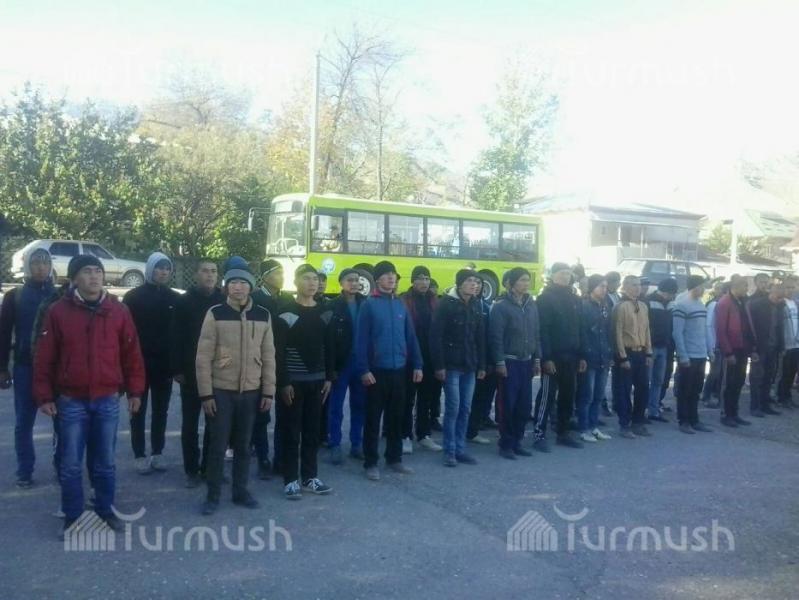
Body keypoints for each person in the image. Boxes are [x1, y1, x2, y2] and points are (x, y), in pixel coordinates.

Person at [33, 255, 145, 534]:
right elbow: (45, 357)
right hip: (71, 400)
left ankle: (105, 510)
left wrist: (135, 391)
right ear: (74, 278)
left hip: (107, 399)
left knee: (105, 462)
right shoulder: (58, 312)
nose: (94, 276)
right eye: (87, 271)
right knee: (71, 463)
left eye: (98, 271)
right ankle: (72, 517)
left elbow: (132, 354)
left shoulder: (118, 310)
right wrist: (44, 396)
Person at [196, 263, 276, 515]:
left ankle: (241, 491)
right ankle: (212, 495)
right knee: (218, 446)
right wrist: (206, 393)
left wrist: (268, 390)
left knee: (243, 446)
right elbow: (203, 357)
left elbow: (269, 355)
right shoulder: (216, 313)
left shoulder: (262, 315)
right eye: (233, 283)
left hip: (251, 391)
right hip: (221, 390)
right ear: (226, 287)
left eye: (243, 283)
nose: (238, 287)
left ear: (250, 287)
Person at [355, 261, 423, 481]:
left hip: (399, 370)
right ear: (377, 280)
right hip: (376, 371)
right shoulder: (369, 305)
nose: (391, 278)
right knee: (373, 419)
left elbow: (410, 337)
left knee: (396, 417)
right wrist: (364, 369)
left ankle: (394, 458)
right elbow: (361, 340)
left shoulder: (400, 304)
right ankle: (371, 462)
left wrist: (418, 364)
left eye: (393, 274)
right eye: (386, 275)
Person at [275, 264, 333, 499]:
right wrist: (283, 382)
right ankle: (290, 479)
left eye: (315, 279)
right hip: (292, 383)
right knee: (291, 431)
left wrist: (329, 377)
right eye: (307, 278)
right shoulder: (285, 312)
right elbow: (278, 351)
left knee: (312, 431)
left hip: (318, 382)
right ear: (296, 282)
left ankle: (310, 477)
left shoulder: (325, 313)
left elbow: (329, 348)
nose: (312, 283)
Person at [0, 247, 56, 488]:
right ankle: (25, 470)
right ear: (27, 266)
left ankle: (62, 466)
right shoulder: (15, 296)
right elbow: (3, 334)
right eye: (35, 263)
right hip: (25, 366)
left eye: (45, 263)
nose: (41, 267)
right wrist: (2, 367)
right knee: (24, 422)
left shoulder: (60, 295)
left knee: (62, 421)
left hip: (55, 370)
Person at [123, 251, 180, 474]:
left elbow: (177, 334)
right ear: (150, 269)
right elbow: (125, 334)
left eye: (167, 268)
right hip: (138, 364)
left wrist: (175, 364)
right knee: (137, 410)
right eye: (159, 268)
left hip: (163, 365)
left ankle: (158, 452)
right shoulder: (133, 297)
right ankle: (139, 454)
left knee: (160, 411)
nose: (163, 272)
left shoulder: (174, 298)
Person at [170, 259, 225, 487]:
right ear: (196, 274)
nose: (209, 275)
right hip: (190, 372)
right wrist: (177, 369)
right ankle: (191, 470)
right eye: (205, 271)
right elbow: (174, 336)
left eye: (213, 271)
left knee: (215, 424)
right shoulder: (184, 301)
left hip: (218, 372)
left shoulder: (223, 300)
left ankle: (209, 468)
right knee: (190, 424)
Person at [430, 269, 485, 467]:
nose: (474, 284)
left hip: (470, 365)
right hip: (451, 365)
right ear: (460, 283)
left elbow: (480, 337)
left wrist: (482, 364)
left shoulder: (476, 304)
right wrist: (439, 365)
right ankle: (450, 451)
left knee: (465, 409)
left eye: (476, 281)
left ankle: (461, 449)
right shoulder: (446, 304)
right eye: (469, 281)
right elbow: (435, 336)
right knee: (453, 408)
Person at [488, 267, 540, 460]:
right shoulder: (501, 306)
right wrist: (499, 362)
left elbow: (536, 333)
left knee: (524, 405)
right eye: (522, 280)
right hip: (509, 362)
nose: (526, 284)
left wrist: (537, 358)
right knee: (507, 405)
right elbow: (496, 337)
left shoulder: (531, 305)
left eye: (527, 280)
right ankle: (506, 444)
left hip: (527, 362)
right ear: (510, 283)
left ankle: (518, 441)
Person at [534, 263, 586, 450]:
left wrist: (582, 355)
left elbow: (580, 328)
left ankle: (563, 433)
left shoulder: (575, 298)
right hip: (553, 357)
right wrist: (546, 358)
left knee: (568, 396)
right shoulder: (545, 298)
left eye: (568, 274)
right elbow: (543, 330)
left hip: (572, 356)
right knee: (547, 396)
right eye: (562, 273)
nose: (566, 277)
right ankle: (539, 434)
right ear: (553, 275)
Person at [325, 268, 367, 464]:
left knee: (360, 405)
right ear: (341, 283)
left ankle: (356, 444)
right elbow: (328, 340)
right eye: (350, 280)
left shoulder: (366, 303)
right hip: (341, 363)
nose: (354, 283)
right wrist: (330, 368)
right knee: (336, 406)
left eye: (357, 280)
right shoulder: (332, 305)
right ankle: (335, 444)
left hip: (361, 363)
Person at [250, 258, 287, 475]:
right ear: (265, 277)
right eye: (277, 273)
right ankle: (262, 457)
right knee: (261, 413)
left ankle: (280, 458)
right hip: (260, 361)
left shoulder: (287, 299)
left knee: (285, 411)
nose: (282, 277)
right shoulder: (255, 299)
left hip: (282, 361)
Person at [400, 266, 443, 453]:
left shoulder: (435, 301)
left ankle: (424, 434)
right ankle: (405, 436)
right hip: (409, 357)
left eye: (427, 278)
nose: (424, 282)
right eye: (420, 278)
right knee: (407, 398)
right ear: (412, 281)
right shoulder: (404, 300)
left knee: (426, 398)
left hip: (430, 356)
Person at [612, 275, 653, 438]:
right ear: (626, 287)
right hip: (627, 353)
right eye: (634, 285)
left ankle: (638, 422)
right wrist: (622, 357)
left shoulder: (643, 306)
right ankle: (624, 424)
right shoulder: (620, 306)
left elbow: (647, 330)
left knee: (643, 388)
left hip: (641, 352)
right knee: (624, 390)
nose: (638, 288)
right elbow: (617, 333)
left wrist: (648, 352)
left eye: (639, 285)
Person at [672, 275, 714, 434]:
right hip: (688, 355)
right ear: (694, 287)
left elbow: (705, 330)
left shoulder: (701, 305)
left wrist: (709, 350)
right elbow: (677, 333)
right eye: (702, 286)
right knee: (685, 389)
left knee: (696, 389)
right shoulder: (681, 306)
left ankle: (694, 419)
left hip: (701, 354)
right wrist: (683, 355)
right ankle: (683, 421)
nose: (704, 290)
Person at [576, 275, 614, 443]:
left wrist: (610, 354)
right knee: (587, 395)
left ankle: (594, 426)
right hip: (589, 357)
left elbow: (608, 332)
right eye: (600, 286)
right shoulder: (583, 306)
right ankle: (584, 429)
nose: (604, 289)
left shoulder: (606, 306)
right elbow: (581, 332)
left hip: (603, 356)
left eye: (605, 286)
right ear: (592, 287)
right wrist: (582, 355)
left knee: (599, 395)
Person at [715, 275, 755, 428]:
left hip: (743, 348)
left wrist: (752, 347)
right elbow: (721, 330)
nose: (747, 289)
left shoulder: (742, 302)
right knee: (729, 383)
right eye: (745, 286)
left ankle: (734, 413)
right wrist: (728, 352)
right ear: (736, 286)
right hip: (731, 349)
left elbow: (747, 325)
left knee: (738, 382)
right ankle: (725, 414)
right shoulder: (725, 302)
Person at [747, 283, 786, 417]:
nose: (781, 298)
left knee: (768, 377)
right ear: (773, 292)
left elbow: (780, 328)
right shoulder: (757, 305)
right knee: (756, 377)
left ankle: (765, 405)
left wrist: (781, 346)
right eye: (779, 295)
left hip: (773, 348)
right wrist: (752, 348)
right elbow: (749, 327)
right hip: (759, 348)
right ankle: (755, 407)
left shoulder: (780, 306)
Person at [467, 276, 498, 444]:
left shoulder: (487, 306)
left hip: (484, 359)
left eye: (479, 283)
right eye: (473, 282)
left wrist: (490, 361)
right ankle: (465, 430)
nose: (476, 286)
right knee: (466, 399)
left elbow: (491, 336)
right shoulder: (461, 305)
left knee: (482, 395)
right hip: (467, 359)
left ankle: (474, 427)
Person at [644, 278, 678, 423]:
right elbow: (644, 326)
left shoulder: (671, 303)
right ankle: (641, 410)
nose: (673, 296)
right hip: (650, 347)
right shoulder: (648, 302)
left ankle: (654, 410)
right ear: (665, 292)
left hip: (664, 347)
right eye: (672, 293)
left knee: (659, 380)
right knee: (645, 381)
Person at [702, 281, 727, 408]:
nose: (719, 291)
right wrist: (712, 345)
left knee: (721, 372)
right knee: (715, 372)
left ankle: (716, 394)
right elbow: (709, 325)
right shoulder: (713, 304)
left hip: (722, 343)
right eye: (717, 289)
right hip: (715, 344)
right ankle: (706, 395)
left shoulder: (723, 304)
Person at [602, 271, 622, 417]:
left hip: (616, 340)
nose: (617, 285)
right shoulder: (604, 297)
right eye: (615, 282)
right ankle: (602, 404)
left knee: (617, 375)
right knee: (602, 377)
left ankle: (616, 402)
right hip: (607, 340)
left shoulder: (617, 296)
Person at [777, 276, 799, 409]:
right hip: (786, 343)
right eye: (787, 287)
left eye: (792, 287)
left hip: (796, 344)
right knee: (784, 372)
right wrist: (781, 344)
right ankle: (781, 397)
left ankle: (787, 397)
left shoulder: (796, 303)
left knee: (792, 371)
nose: (790, 290)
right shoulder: (780, 304)